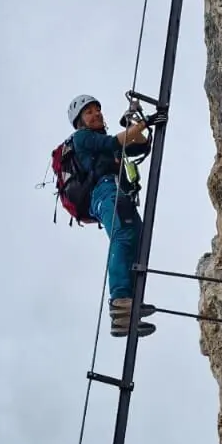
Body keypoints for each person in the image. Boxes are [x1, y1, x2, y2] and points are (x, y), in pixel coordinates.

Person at [67, 93, 156, 338]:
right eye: (89, 112)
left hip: (117, 191)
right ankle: (120, 304)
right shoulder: (83, 138)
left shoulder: (104, 140)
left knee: (136, 238)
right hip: (104, 191)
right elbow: (114, 144)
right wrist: (144, 122)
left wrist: (135, 124)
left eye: (98, 110)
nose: (96, 114)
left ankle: (129, 301)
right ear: (79, 121)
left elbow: (140, 144)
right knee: (123, 235)